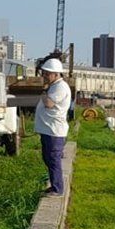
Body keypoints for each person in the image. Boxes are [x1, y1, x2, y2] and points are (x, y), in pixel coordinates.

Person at [35, 57, 71, 195]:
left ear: (56, 74)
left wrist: (44, 91)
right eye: (44, 73)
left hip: (54, 131)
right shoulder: (54, 86)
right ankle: (54, 186)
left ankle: (57, 189)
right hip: (48, 129)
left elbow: (49, 104)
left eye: (47, 73)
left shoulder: (60, 87)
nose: (44, 76)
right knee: (48, 158)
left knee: (53, 159)